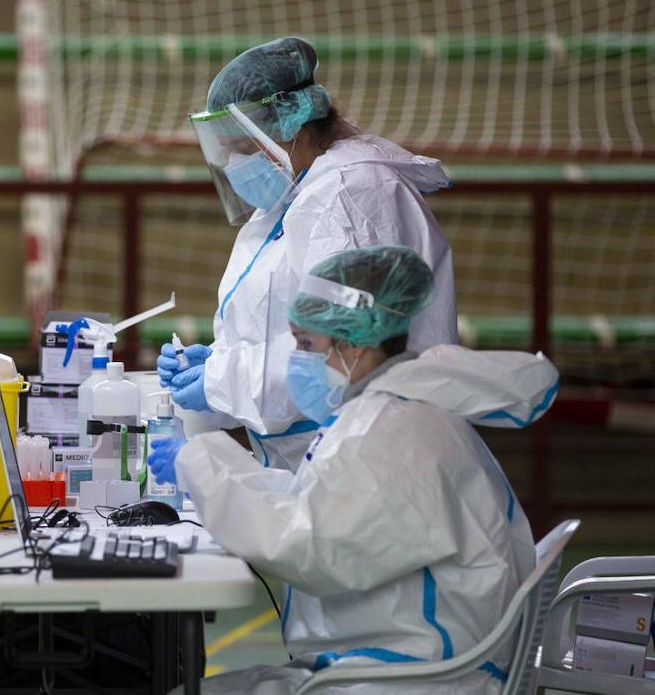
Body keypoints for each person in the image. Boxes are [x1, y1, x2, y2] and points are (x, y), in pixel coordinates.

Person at [151, 246, 552, 695]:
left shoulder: (388, 431)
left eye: (305, 345)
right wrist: (211, 464)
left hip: (410, 677)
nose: (295, 361)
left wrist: (200, 464)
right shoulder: (395, 409)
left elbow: (306, 547)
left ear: (352, 344)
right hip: (408, 657)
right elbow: (318, 500)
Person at [157, 37, 458, 471]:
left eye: (243, 150)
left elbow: (343, 351)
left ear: (290, 126)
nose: (237, 166)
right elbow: (286, 332)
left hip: (371, 461)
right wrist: (221, 366)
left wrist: (223, 378)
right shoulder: (291, 201)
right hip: (315, 465)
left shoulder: (351, 198)